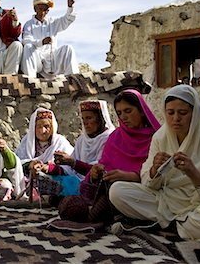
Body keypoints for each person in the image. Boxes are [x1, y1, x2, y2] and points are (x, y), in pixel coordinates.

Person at [109, 85, 200, 242]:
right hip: (166, 200)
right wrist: (154, 170)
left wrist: (193, 173)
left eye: (183, 113)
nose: (175, 119)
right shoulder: (160, 137)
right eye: (170, 113)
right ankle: (180, 224)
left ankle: (171, 224)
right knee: (117, 191)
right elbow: (148, 184)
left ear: (195, 113)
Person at [59, 90, 161, 223]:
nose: (123, 117)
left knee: (117, 191)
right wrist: (95, 173)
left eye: (128, 111)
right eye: (119, 113)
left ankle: (95, 217)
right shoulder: (115, 138)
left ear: (141, 111)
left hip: (142, 193)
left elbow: (159, 177)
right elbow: (105, 165)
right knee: (110, 188)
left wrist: (130, 177)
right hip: (111, 191)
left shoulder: (157, 138)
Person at [15, 108, 74, 198]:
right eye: (39, 127)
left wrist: (48, 168)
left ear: (53, 127)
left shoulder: (60, 142)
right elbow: (17, 164)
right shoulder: (26, 142)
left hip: (53, 179)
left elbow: (69, 168)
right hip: (29, 178)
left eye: (46, 126)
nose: (43, 131)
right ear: (33, 128)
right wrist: (30, 164)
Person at [21, 0, 79, 79]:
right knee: (28, 47)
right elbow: (26, 40)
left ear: (48, 11)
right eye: (40, 9)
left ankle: (74, 81)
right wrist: (41, 42)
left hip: (52, 60)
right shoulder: (29, 24)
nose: (42, 12)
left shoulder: (53, 22)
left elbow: (67, 20)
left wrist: (70, 7)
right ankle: (31, 81)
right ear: (35, 9)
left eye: (45, 10)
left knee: (68, 48)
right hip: (37, 61)